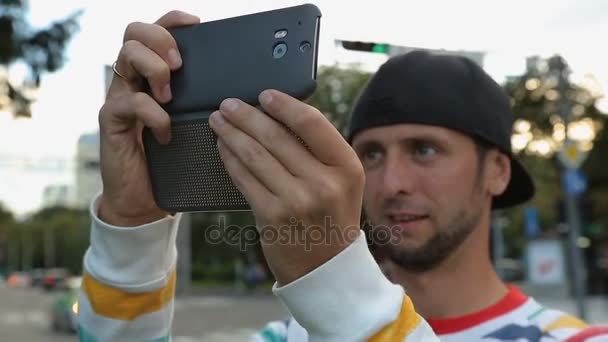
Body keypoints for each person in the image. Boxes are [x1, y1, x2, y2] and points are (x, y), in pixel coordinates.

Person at [77, 10, 608, 342]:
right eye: (370, 154)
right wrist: (132, 230)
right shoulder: (286, 336)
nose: (391, 181)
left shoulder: (573, 337)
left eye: (425, 150)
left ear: (496, 171)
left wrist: (334, 281)